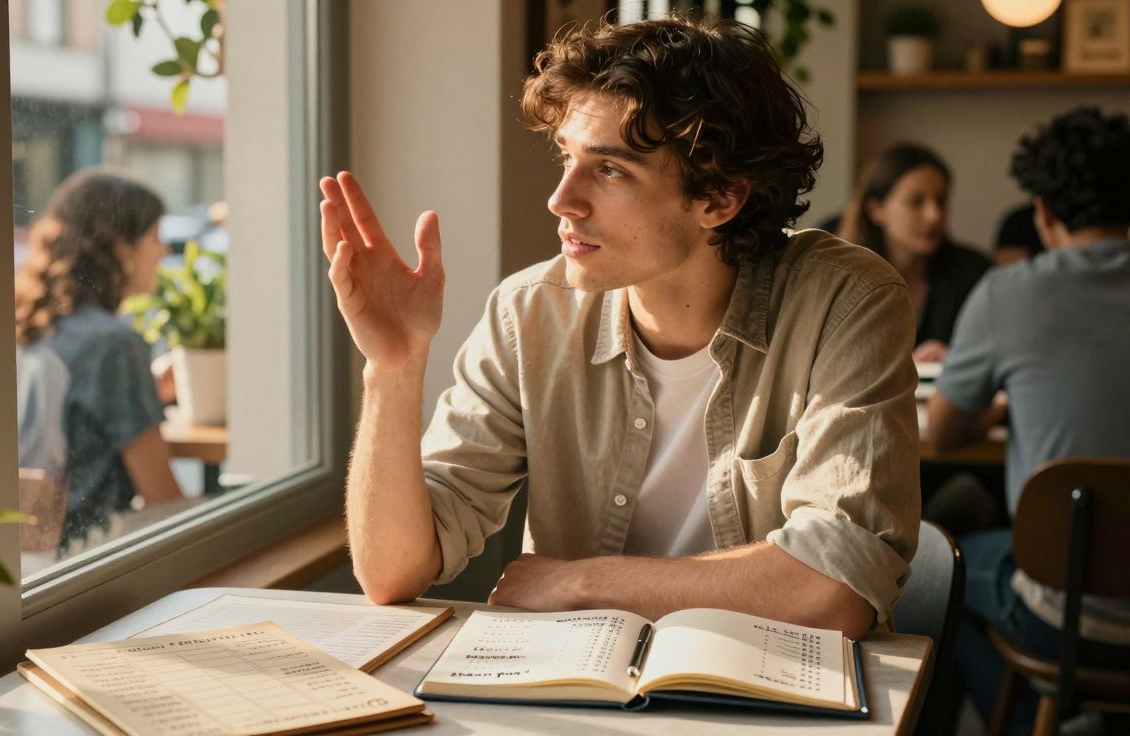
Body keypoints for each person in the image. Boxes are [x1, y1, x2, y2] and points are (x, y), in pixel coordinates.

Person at [321, 15, 920, 641]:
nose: (561, 199)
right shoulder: (529, 314)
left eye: (610, 170)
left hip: (768, 681)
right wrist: (392, 369)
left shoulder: (845, 300)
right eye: (567, 157)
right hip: (577, 678)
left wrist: (581, 583)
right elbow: (391, 571)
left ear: (719, 198)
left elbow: (834, 590)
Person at [926, 106, 1130, 733]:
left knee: (938, 569)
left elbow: (942, 434)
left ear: (1042, 211)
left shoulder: (1009, 293)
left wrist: (1003, 403)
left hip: (1065, 612)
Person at [15, 168, 184, 548]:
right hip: (90, 555)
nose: (165, 252)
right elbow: (163, 496)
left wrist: (146, 389)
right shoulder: (113, 344)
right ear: (121, 247)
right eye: (155, 237)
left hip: (31, 553)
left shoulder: (32, 325)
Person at [837, 143, 992, 363]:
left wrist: (957, 357)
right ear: (876, 209)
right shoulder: (840, 276)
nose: (934, 215)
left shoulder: (973, 272)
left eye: (941, 200)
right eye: (916, 202)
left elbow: (995, 353)